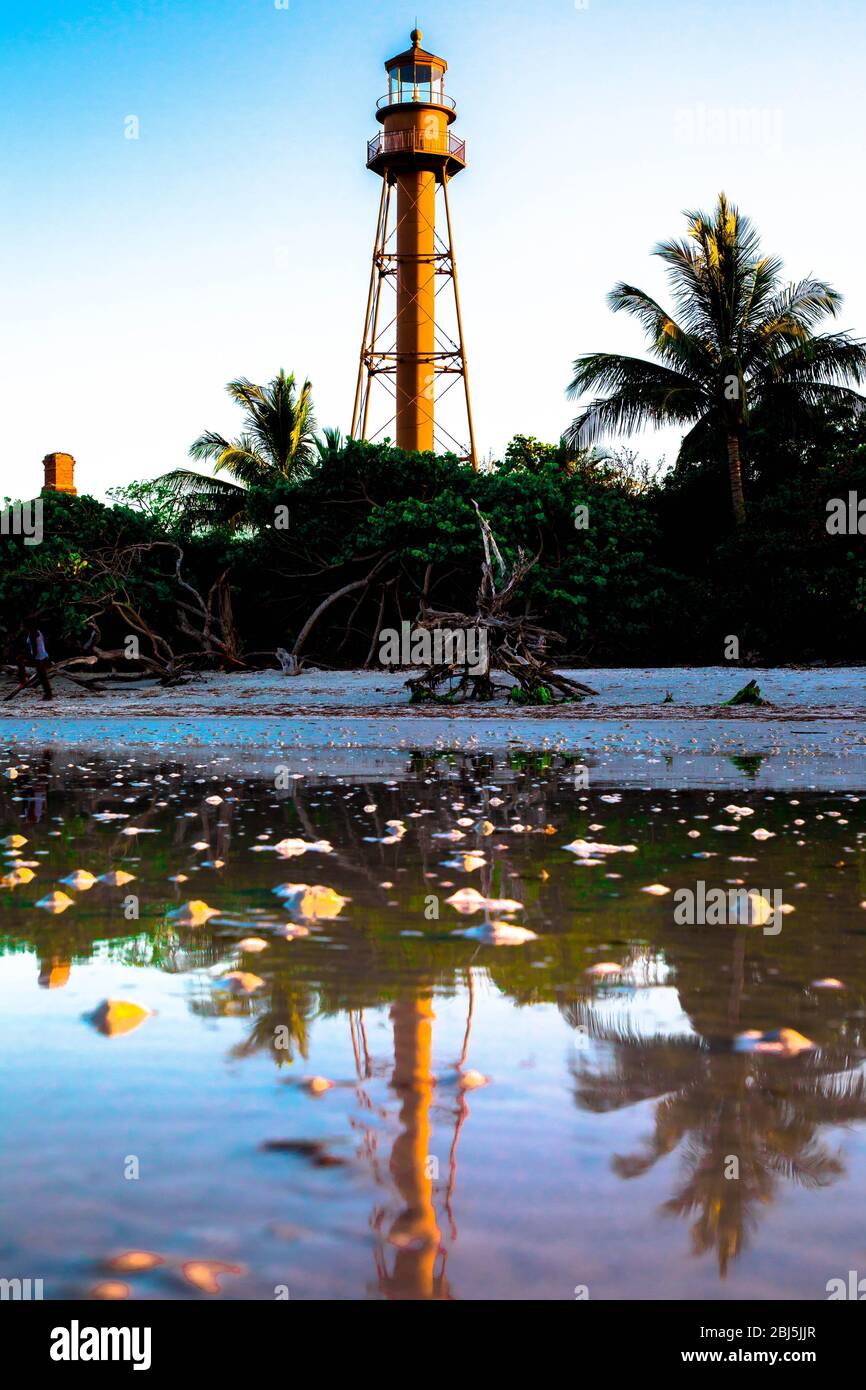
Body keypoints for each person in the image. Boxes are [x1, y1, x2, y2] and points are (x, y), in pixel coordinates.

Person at [15, 616, 54, 701]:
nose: (21, 627)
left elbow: (35, 651)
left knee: (19, 659)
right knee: (43, 677)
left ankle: (23, 680)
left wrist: (27, 656)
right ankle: (48, 695)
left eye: (22, 625)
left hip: (38, 658)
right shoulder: (38, 632)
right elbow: (44, 645)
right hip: (43, 657)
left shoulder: (32, 634)